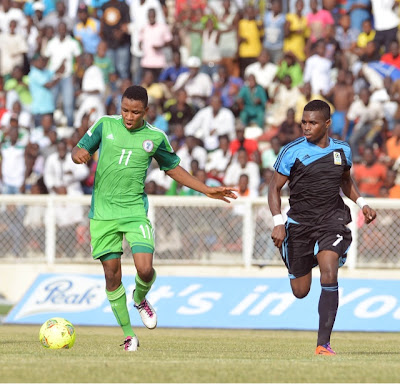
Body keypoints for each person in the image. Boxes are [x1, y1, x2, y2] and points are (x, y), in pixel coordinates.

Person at [71, 85, 237, 352]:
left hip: (135, 210)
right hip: (102, 214)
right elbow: (78, 149)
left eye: (135, 112)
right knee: (112, 276)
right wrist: (78, 154)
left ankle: (139, 298)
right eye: (124, 110)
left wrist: (206, 189)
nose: (128, 116)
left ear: (146, 111)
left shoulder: (156, 137)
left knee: (145, 269)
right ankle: (129, 335)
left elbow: (173, 169)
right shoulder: (104, 125)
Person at [268, 100, 377, 355]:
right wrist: (278, 223)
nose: (306, 127)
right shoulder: (291, 151)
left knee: (329, 271)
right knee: (301, 291)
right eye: (304, 122)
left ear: (327, 124)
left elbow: (345, 181)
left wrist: (362, 203)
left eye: (312, 122)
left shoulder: (342, 150)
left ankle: (323, 344)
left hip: (332, 221)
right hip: (299, 225)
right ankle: (294, 249)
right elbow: (273, 188)